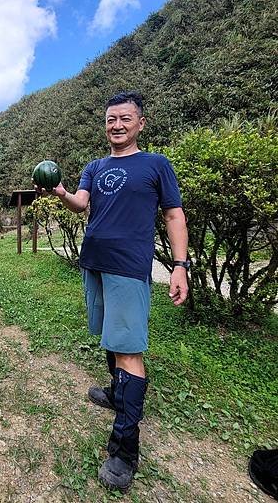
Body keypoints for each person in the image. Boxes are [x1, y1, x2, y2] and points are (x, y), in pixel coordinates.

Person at [51, 91, 189, 491]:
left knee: (128, 348)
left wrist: (179, 266)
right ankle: (116, 393)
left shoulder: (156, 164)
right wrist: (61, 192)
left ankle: (125, 449)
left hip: (129, 268)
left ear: (140, 123)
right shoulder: (95, 166)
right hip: (93, 261)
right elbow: (81, 203)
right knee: (111, 336)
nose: (117, 125)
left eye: (125, 119)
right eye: (111, 119)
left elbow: (173, 214)